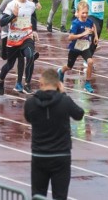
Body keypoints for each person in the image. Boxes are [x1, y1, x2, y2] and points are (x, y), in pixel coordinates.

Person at [24, 68, 84, 200]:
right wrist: (63, 94)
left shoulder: (30, 103)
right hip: (61, 155)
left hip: (39, 155)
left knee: (38, 195)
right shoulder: (65, 101)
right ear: (58, 84)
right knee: (60, 196)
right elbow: (79, 114)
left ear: (41, 83)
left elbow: (28, 118)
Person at [0, 0, 39, 95]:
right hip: (14, 39)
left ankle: (27, 84)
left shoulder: (31, 5)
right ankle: (0, 79)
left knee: (30, 56)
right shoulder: (11, 5)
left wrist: (34, 30)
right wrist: (12, 16)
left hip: (27, 36)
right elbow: (2, 22)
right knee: (10, 64)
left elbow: (33, 17)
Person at [58, 0, 98, 94]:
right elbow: (70, 37)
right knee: (69, 67)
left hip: (85, 47)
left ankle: (87, 84)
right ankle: (61, 71)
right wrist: (83, 34)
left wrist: (95, 36)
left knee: (90, 62)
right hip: (75, 48)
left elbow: (94, 25)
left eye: (87, 13)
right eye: (83, 13)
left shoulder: (89, 21)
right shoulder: (76, 23)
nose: (85, 15)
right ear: (78, 12)